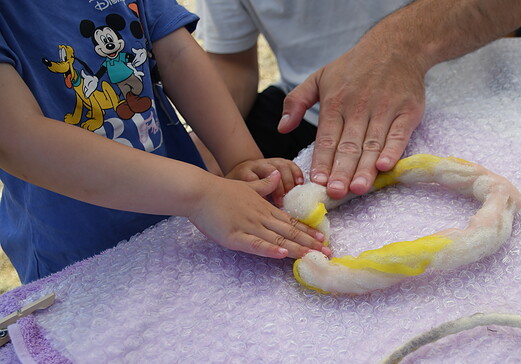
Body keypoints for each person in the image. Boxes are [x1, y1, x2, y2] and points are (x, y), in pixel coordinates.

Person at [0, 0, 331, 284]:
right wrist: (201, 193)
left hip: (182, 229)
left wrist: (239, 159)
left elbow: (176, 54)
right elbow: (16, 137)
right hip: (76, 253)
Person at [196, 0, 521, 200]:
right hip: (311, 112)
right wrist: (212, 138)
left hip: (475, 78)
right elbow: (234, 63)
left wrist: (403, 46)